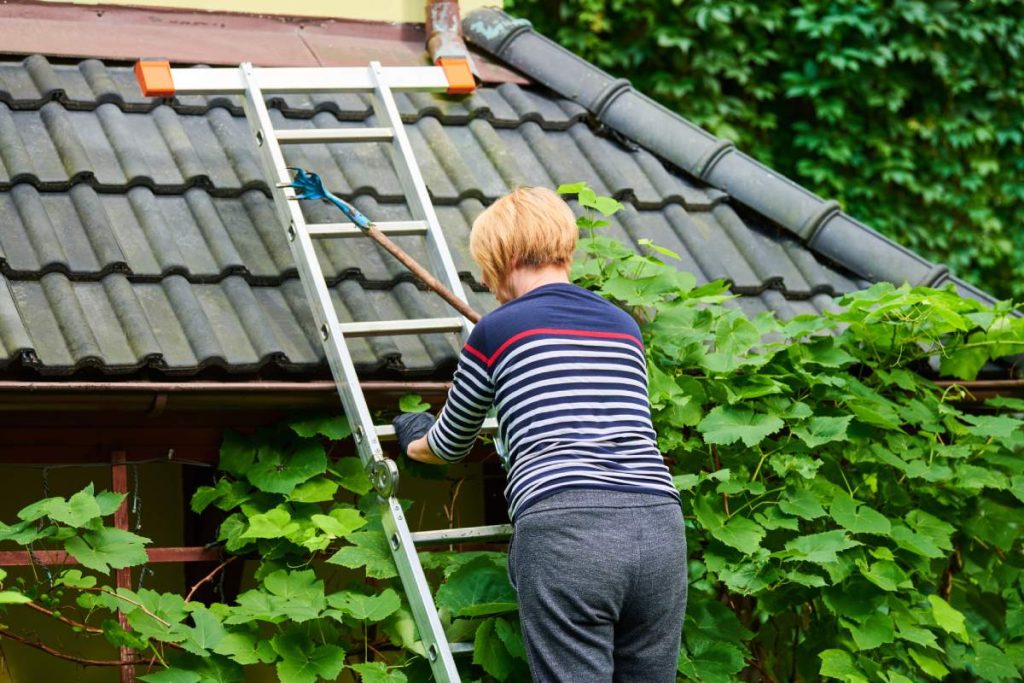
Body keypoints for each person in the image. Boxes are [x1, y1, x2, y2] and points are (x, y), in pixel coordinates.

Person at [392, 187, 687, 683]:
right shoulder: (623, 326)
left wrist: (413, 436)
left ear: (500, 259)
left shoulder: (496, 331)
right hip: (659, 524)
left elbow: (450, 444)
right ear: (565, 248)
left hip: (567, 529)